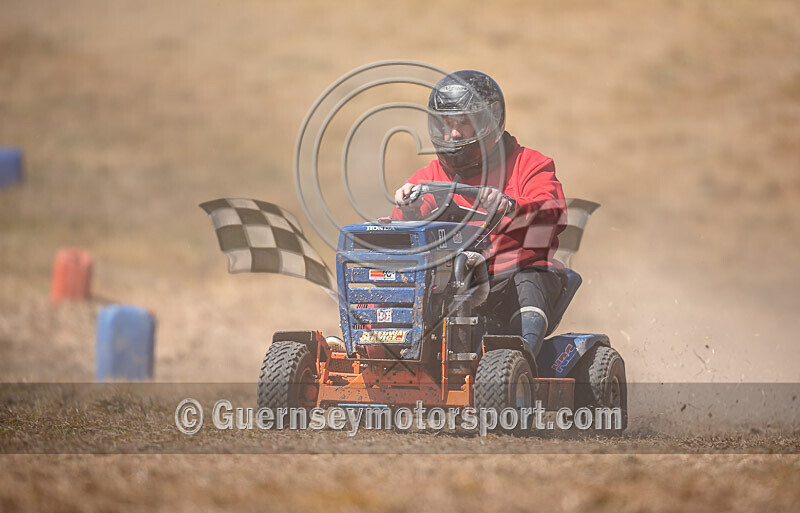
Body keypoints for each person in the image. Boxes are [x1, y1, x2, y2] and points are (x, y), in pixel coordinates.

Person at [391, 70, 567, 362]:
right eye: (447, 124)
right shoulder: (430, 176)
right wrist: (407, 207)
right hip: (453, 282)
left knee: (529, 276)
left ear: (489, 122)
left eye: (464, 123)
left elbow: (553, 213)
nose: (454, 134)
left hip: (512, 278)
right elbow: (405, 231)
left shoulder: (530, 164)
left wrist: (509, 206)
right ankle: (384, 349)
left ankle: (520, 360)